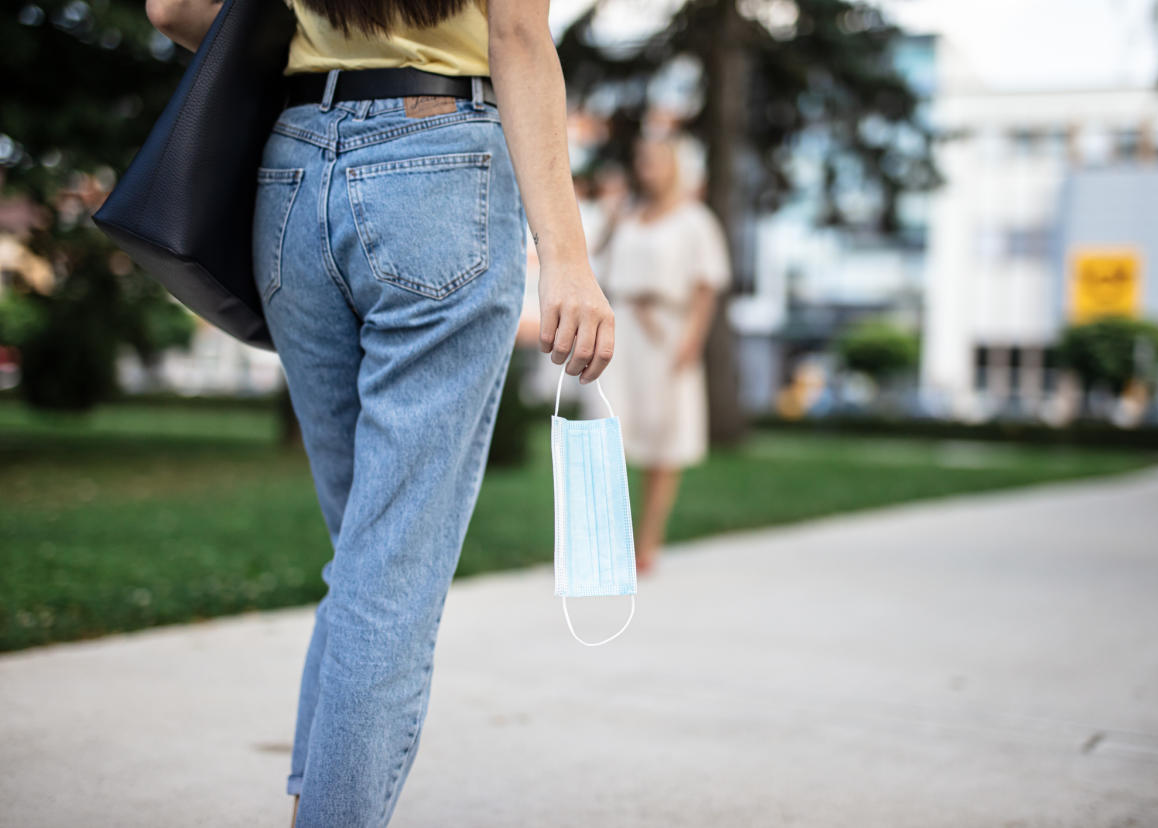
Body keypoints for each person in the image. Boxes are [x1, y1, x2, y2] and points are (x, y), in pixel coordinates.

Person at [146, 1, 615, 825]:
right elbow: (516, 32)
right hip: (439, 166)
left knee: (366, 553)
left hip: (290, 175)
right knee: (388, 571)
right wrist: (568, 257)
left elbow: (172, 9)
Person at [591, 132, 732, 574]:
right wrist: (612, 217)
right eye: (641, 157)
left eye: (654, 158)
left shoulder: (696, 220)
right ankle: (607, 538)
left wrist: (692, 339)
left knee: (662, 439)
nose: (644, 165)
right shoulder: (628, 216)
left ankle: (647, 541)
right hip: (624, 329)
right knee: (608, 428)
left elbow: (707, 285)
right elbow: (597, 260)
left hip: (667, 334)